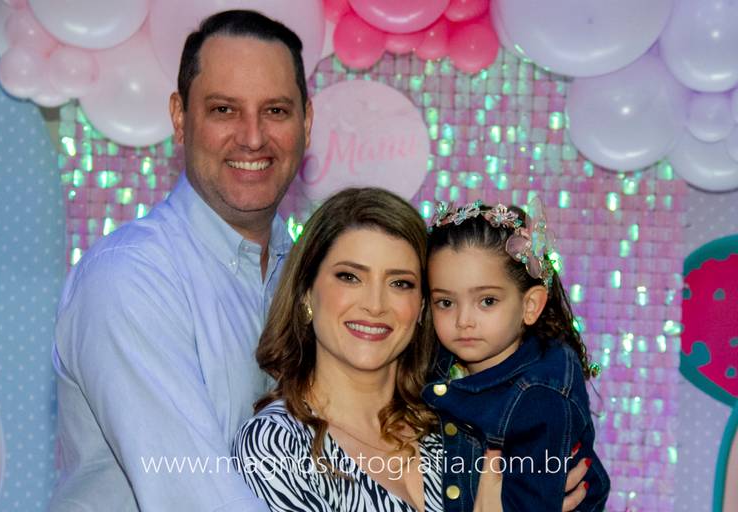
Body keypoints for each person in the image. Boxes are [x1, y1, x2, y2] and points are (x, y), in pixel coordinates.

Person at [50, 10, 311, 511]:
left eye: (276, 110)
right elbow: (194, 496)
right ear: (179, 117)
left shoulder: (312, 280)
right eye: (224, 110)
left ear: (307, 123)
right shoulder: (129, 279)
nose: (253, 137)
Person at [232, 188, 590, 512]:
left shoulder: (456, 424)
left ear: (422, 306)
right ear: (306, 292)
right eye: (350, 277)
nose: (375, 305)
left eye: (400, 283)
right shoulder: (277, 444)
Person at [422, 199, 611, 511]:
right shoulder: (434, 364)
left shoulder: (540, 394)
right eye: (446, 302)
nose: (463, 320)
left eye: (487, 301)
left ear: (530, 305)